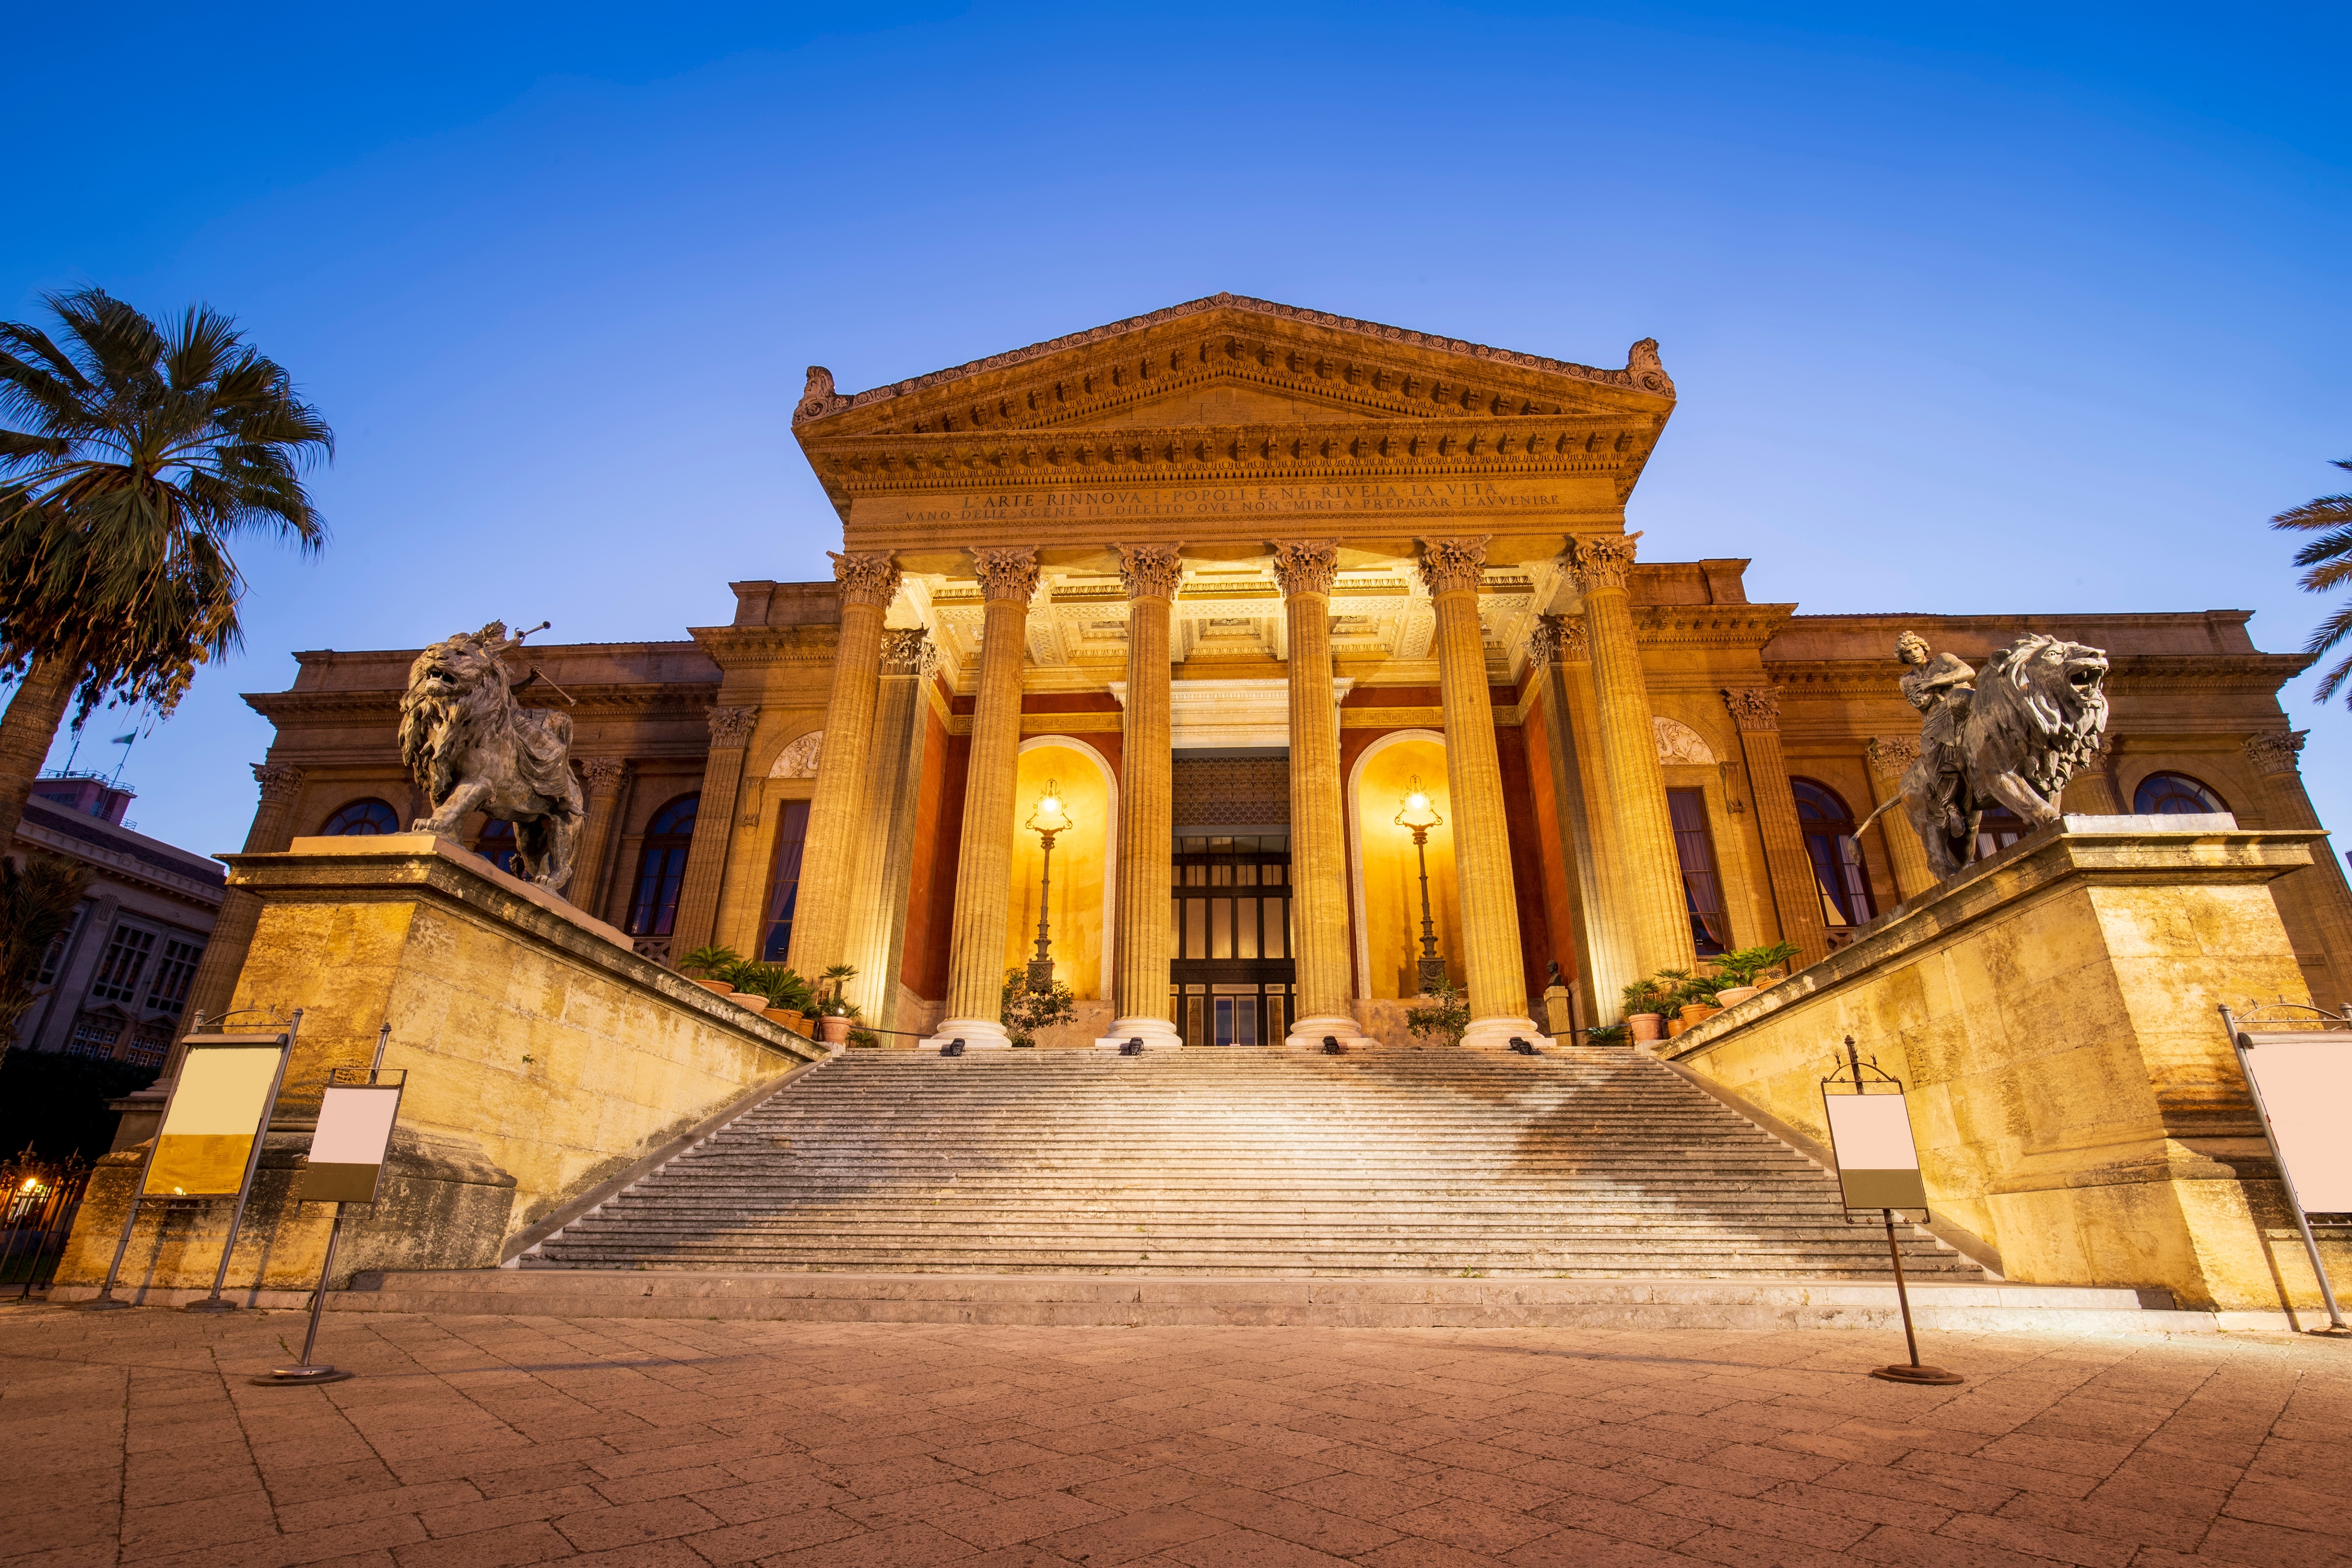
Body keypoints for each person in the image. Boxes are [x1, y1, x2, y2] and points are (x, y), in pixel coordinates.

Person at [1896, 631, 1976, 847]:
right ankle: (1949, 805)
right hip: (1937, 719)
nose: (1913, 654)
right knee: (1929, 751)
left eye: (1915, 649)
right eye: (1907, 652)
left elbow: (1967, 672)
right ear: (1903, 658)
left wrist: (1933, 682)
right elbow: (1919, 703)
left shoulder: (1943, 660)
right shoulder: (1907, 680)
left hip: (1962, 703)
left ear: (1923, 648)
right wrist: (1929, 694)